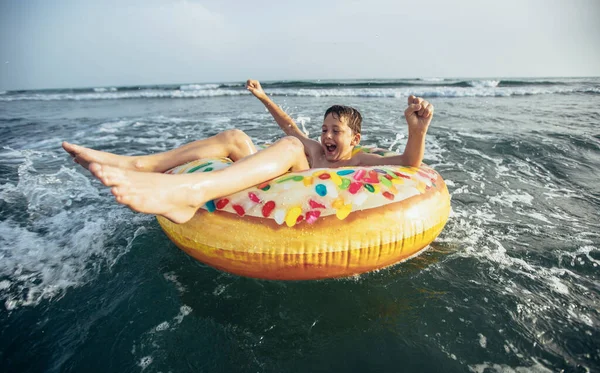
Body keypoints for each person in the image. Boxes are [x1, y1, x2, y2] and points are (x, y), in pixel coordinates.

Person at [62, 79, 434, 224]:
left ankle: (190, 193)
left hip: (297, 207)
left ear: (355, 138)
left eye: (335, 131)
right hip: (268, 183)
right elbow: (289, 125)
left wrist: (416, 130)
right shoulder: (312, 149)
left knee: (290, 145)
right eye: (323, 130)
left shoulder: (358, 160)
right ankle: (140, 163)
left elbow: (406, 164)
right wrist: (262, 96)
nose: (325, 136)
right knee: (237, 137)